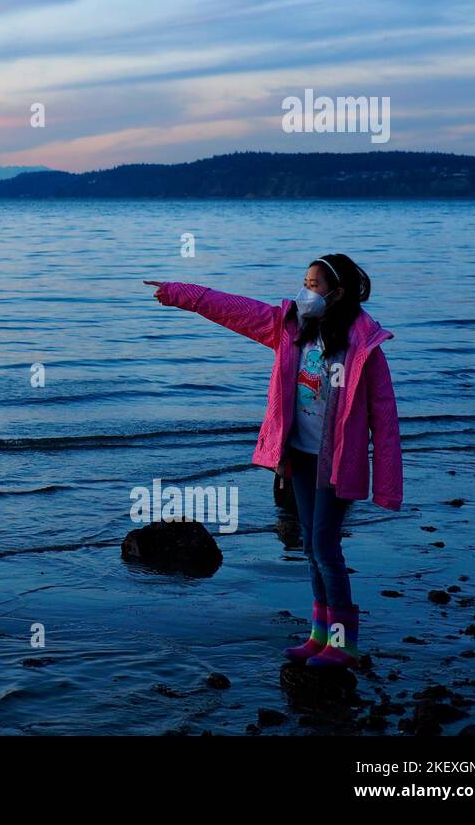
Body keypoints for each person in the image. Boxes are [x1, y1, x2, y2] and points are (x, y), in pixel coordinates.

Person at [144, 254, 402, 668]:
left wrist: (388, 487)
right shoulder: (291, 328)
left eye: (313, 285)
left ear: (337, 293)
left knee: (324, 546)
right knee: (310, 546)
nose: (305, 291)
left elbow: (385, 419)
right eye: (304, 281)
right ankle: (320, 636)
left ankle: (344, 643)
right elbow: (235, 310)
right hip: (299, 456)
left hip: (335, 462)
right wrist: (180, 293)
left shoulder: (363, 345)